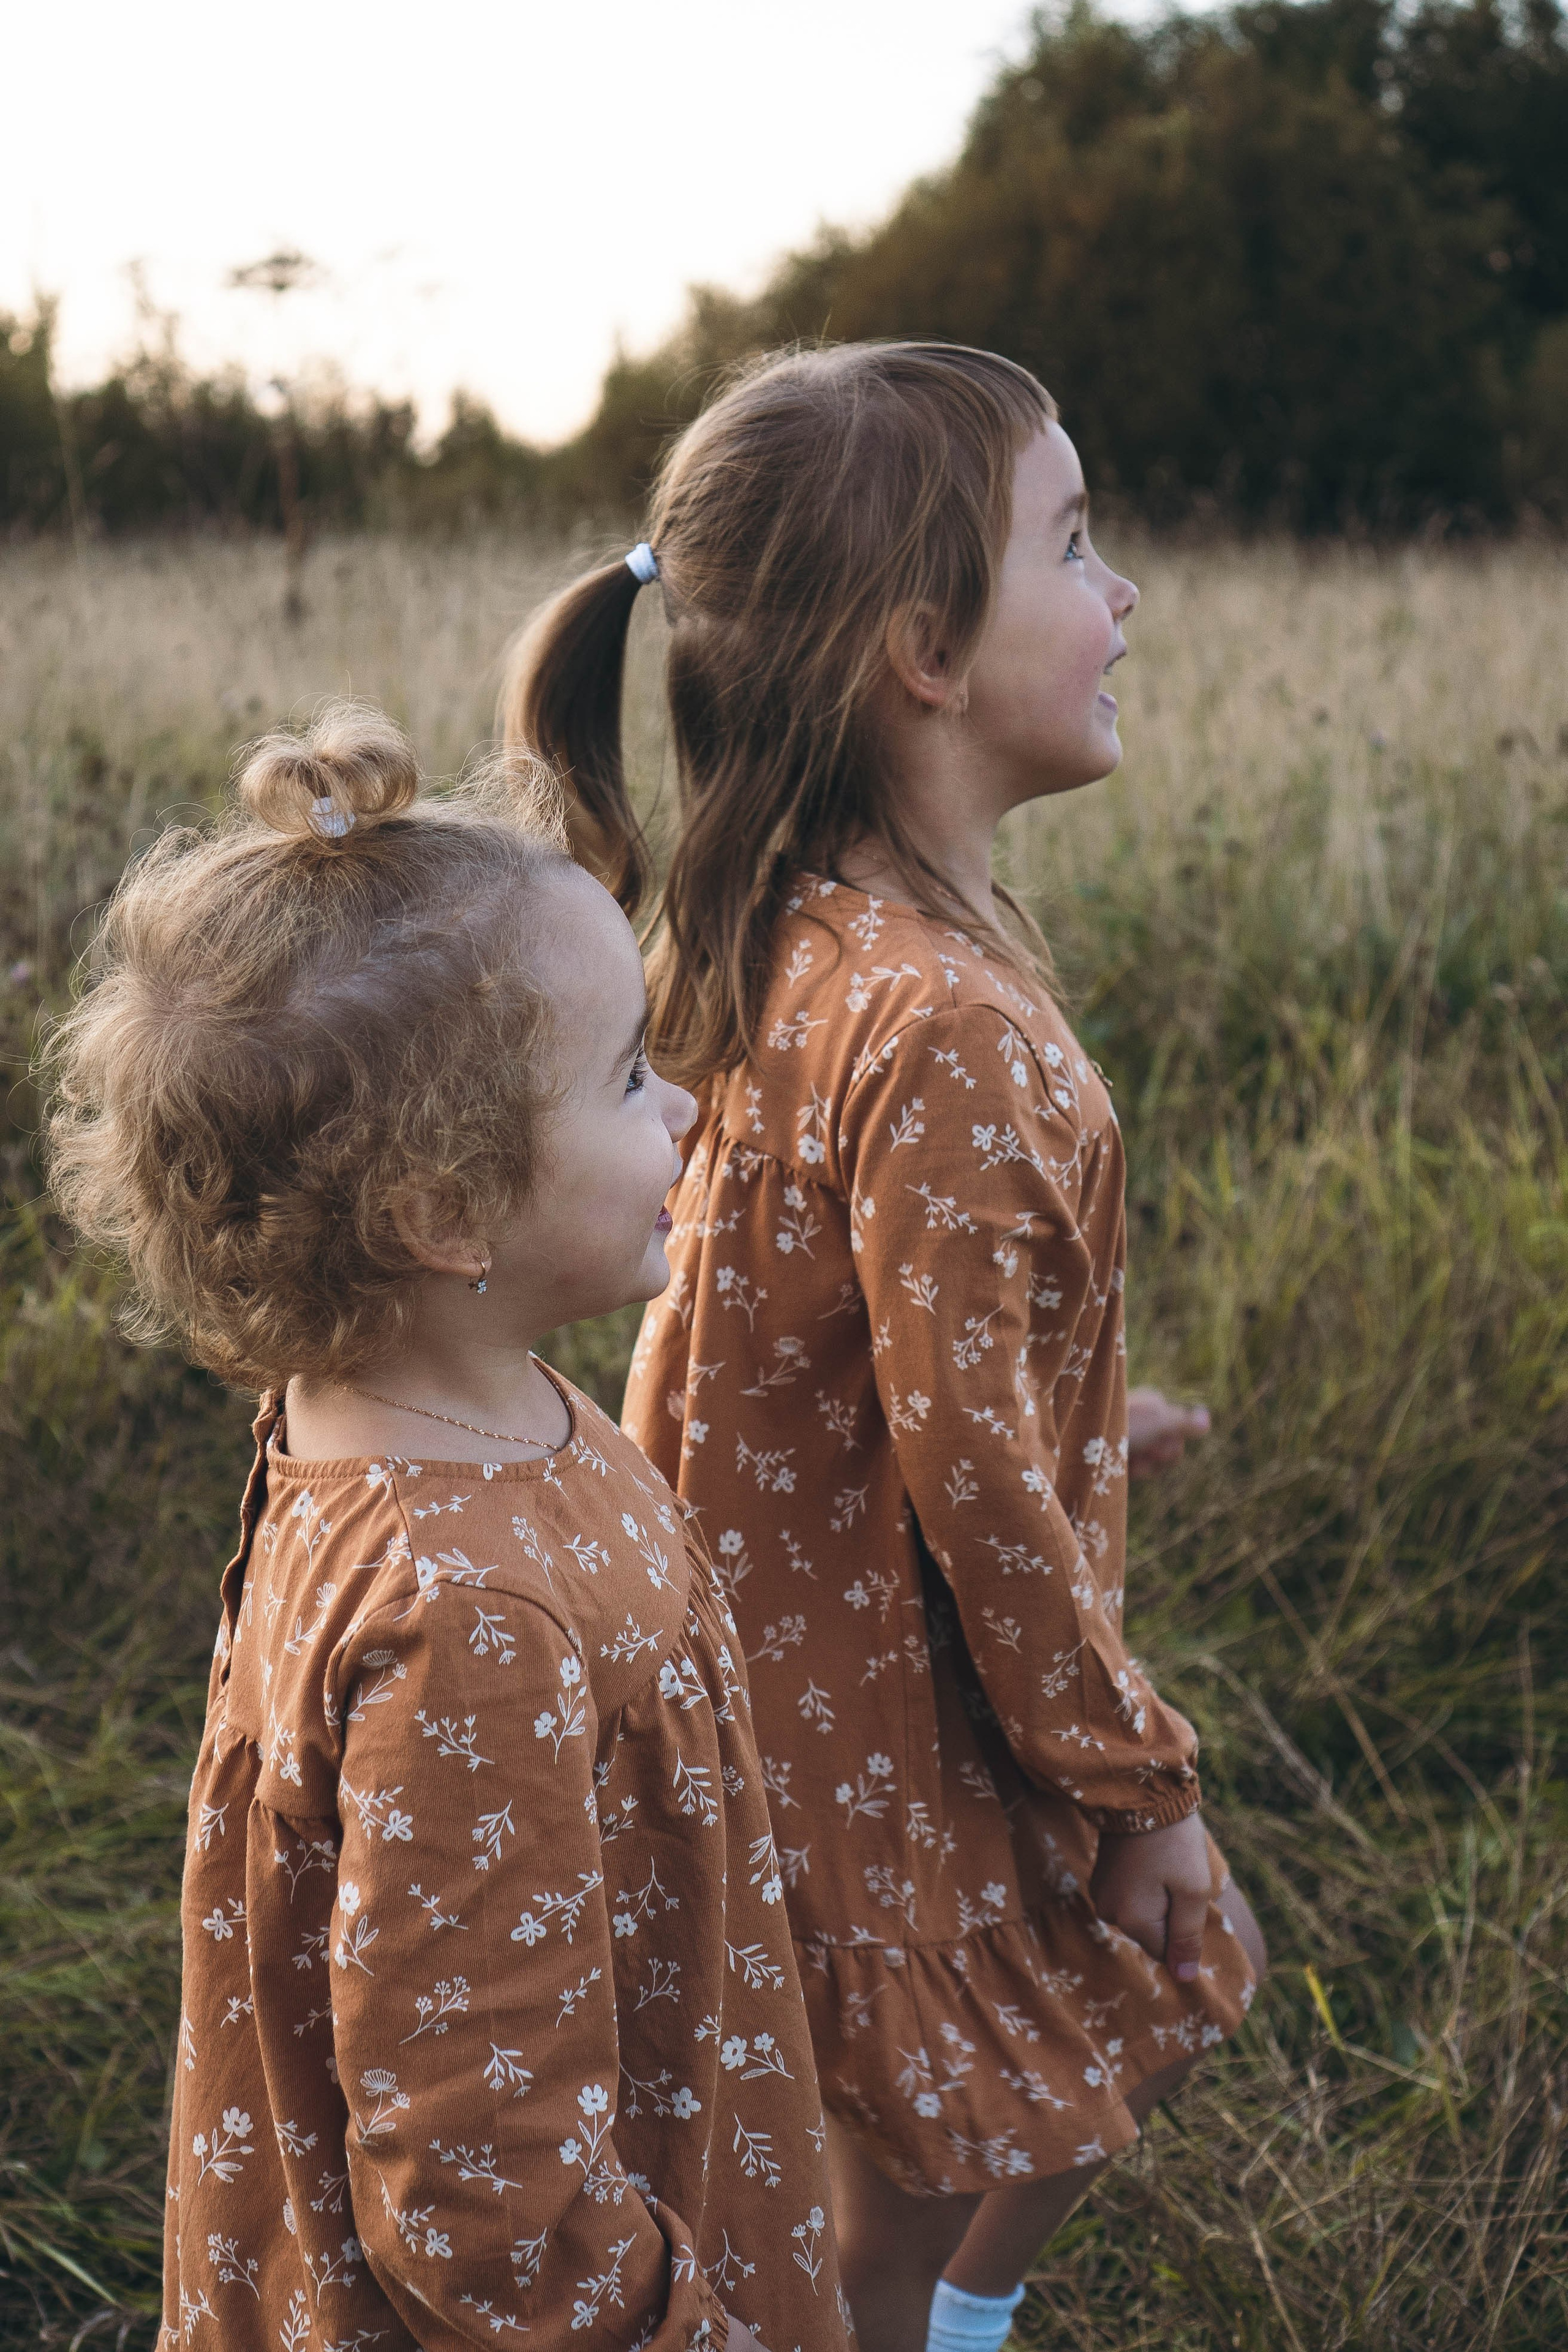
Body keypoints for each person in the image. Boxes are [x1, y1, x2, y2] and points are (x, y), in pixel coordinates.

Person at [500, 343, 1268, 2352]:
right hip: (882, 1722)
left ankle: (914, 2315)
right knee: (1176, 1977)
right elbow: (974, 1473)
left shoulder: (800, 931)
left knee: (860, 2168)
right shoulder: (951, 1027)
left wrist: (1116, 1412)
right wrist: (1136, 1784)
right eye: (1074, 545)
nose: (1123, 599)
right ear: (925, 645)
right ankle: (952, 2330)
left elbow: (851, 1346)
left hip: (771, 1672)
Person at [42, 704, 849, 2352]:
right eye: (628, 1075)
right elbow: (484, 2197)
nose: (686, 1108)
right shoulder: (463, 1611)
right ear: (442, 1213)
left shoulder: (417, 1408)